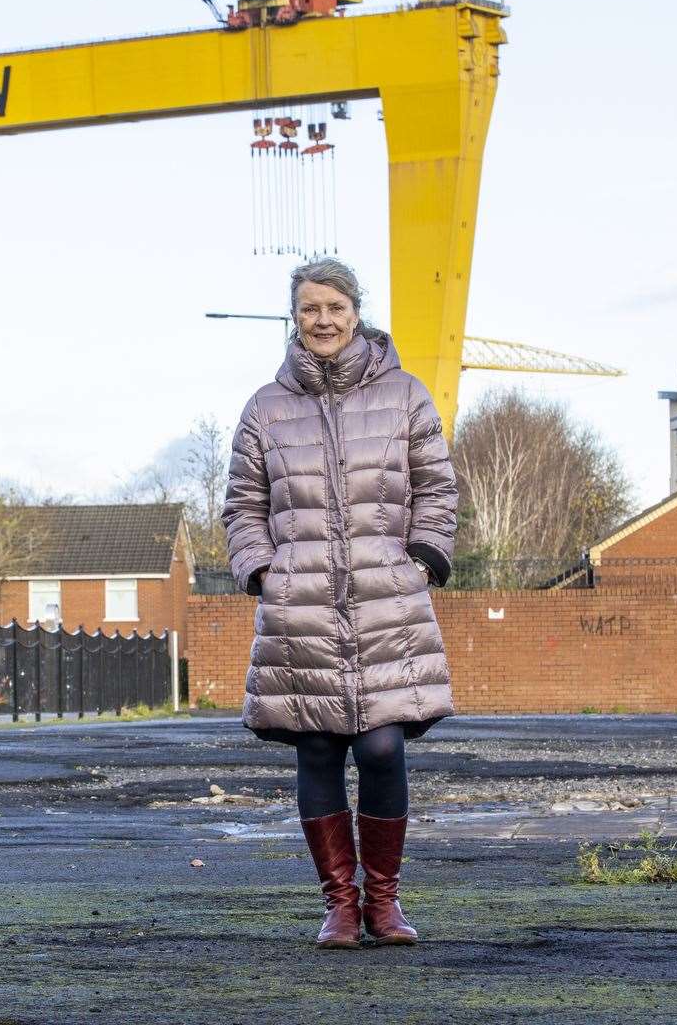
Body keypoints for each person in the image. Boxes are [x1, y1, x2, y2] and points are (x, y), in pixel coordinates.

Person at [221, 258, 458, 949]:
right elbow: (243, 503)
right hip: (302, 607)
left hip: (387, 601)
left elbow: (437, 487)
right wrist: (264, 570)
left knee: (383, 746)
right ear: (294, 319)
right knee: (319, 746)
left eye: (334, 307)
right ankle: (340, 908)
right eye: (309, 310)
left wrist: (423, 556)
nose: (322, 320)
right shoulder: (265, 407)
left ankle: (384, 903)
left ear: (356, 312)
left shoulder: (407, 395)